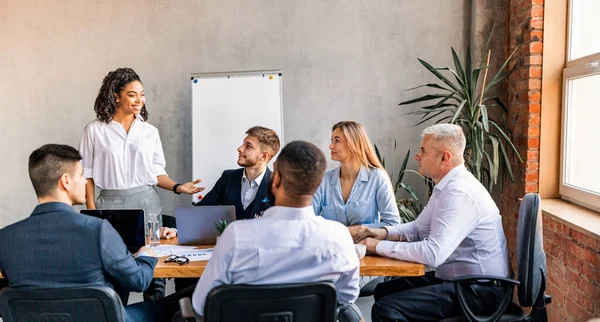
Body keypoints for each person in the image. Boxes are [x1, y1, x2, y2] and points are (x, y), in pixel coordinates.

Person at [186, 141, 362, 322]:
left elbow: (201, 305)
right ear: (317, 185)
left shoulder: (236, 235)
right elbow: (346, 297)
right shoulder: (339, 236)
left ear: (276, 179)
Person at [352, 124, 512, 322]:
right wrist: (382, 232)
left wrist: (378, 246)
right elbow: (418, 229)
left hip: (481, 291)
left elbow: (433, 254)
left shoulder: (459, 193)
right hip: (462, 280)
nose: (417, 156)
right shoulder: (446, 188)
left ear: (444, 158)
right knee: (385, 291)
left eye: (422, 151)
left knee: (387, 309)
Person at [79, 67, 204, 301]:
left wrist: (179, 187)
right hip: (110, 205)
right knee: (114, 271)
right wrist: (92, 209)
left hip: (147, 202)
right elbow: (87, 174)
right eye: (132, 94)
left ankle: (155, 313)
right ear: (116, 95)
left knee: (154, 272)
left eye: (142, 94)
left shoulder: (149, 132)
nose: (140, 100)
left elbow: (156, 173)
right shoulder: (94, 130)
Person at [0, 144, 160, 322]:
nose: (85, 181)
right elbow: (138, 281)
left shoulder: (5, 238)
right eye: (82, 174)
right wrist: (146, 256)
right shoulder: (98, 230)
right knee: (165, 307)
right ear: (66, 181)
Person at [312, 121, 400, 228]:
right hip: (332, 244)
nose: (331, 146)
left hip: (366, 244)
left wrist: (359, 230)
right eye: (332, 140)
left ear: (353, 143)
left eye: (337, 141)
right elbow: (309, 220)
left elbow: (393, 223)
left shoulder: (377, 177)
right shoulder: (323, 179)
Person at [196, 126, 280, 220]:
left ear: (264, 156)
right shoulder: (227, 178)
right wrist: (176, 229)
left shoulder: (278, 185)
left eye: (248, 146)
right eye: (243, 144)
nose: (240, 148)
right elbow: (200, 211)